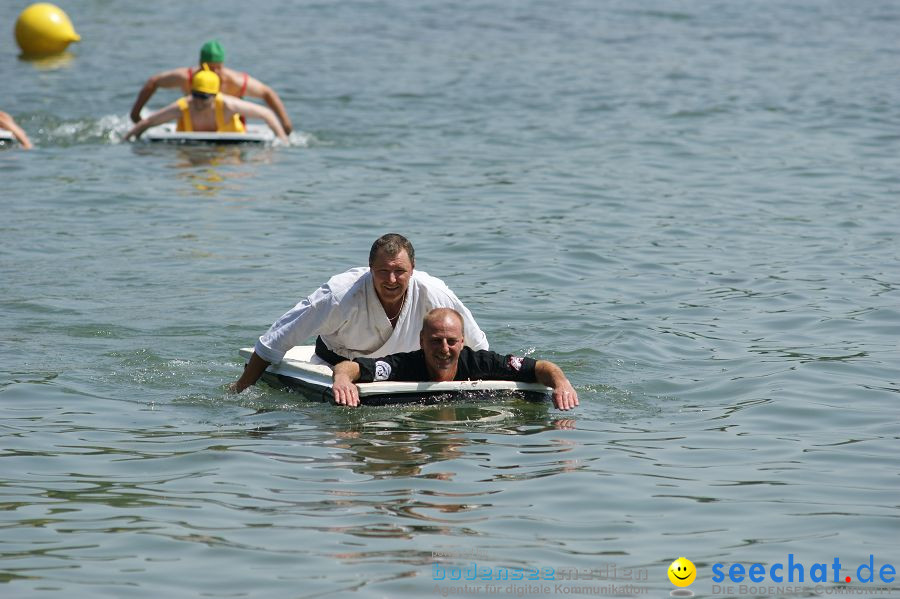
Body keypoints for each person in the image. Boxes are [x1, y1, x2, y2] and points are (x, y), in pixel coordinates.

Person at [230, 234, 490, 393]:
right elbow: (277, 339)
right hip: (333, 366)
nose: (391, 279)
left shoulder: (433, 292)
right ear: (369, 269)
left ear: (413, 269)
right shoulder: (339, 295)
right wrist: (241, 389)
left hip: (404, 370)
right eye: (382, 271)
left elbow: (477, 346)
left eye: (399, 271)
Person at [332, 308, 579, 411]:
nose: (444, 349)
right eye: (435, 340)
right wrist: (343, 380)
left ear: (462, 341)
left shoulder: (481, 363)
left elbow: (541, 367)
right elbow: (352, 367)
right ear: (421, 341)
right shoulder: (405, 365)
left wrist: (562, 384)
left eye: (451, 341)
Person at [130, 39, 293, 134]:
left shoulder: (236, 81)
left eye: (217, 68)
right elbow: (153, 82)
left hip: (229, 131)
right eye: (208, 67)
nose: (213, 72)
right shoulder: (186, 77)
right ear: (200, 64)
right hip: (192, 129)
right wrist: (136, 115)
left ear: (223, 64)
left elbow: (267, 93)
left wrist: (285, 124)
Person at [124, 64, 288, 142]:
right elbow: (148, 122)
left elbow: (267, 114)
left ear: (215, 95)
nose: (198, 101)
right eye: (195, 95)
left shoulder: (228, 105)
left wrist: (283, 141)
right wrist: (128, 141)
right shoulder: (184, 106)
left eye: (204, 96)